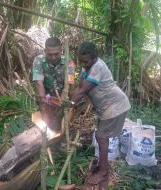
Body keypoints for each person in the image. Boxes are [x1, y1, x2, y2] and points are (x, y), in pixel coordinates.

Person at [71, 42, 131, 186]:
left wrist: (66, 104)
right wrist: (69, 97)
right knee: (102, 137)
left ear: (94, 58)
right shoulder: (89, 67)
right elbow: (80, 86)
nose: (83, 64)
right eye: (81, 61)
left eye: (85, 61)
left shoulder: (97, 67)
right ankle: (103, 166)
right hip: (107, 108)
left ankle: (103, 171)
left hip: (115, 106)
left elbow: (83, 90)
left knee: (101, 137)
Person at [32, 37, 65, 133]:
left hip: (61, 97)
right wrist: (44, 102)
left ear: (61, 50)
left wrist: (61, 104)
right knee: (45, 124)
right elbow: (39, 82)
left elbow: (68, 85)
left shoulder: (68, 62)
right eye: (50, 54)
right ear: (45, 51)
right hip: (46, 97)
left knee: (60, 126)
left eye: (56, 54)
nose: (53, 57)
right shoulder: (39, 60)